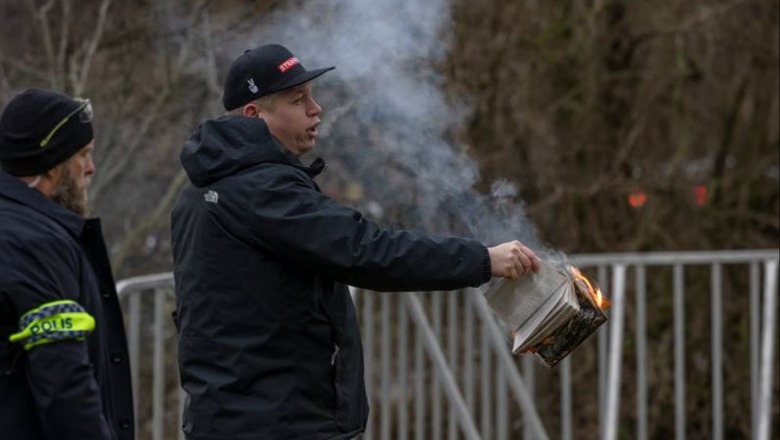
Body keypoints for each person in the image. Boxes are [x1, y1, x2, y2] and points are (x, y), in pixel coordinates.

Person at [171, 44, 540, 440]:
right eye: (299, 101)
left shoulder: (199, 190)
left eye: (312, 96)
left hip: (232, 417)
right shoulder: (262, 189)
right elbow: (368, 250)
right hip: (280, 423)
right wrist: (483, 260)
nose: (317, 109)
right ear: (253, 114)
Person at [0, 89, 134, 440]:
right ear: (52, 164)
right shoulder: (37, 243)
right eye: (83, 155)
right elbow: (64, 383)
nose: (90, 168)